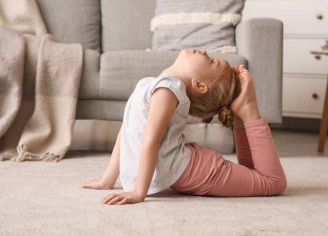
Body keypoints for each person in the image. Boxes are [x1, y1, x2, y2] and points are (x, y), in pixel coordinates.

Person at [81, 49, 287, 205]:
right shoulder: (151, 84)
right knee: (255, 175)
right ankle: (241, 116)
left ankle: (247, 110)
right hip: (189, 165)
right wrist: (107, 180)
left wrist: (138, 192)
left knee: (272, 182)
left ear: (199, 85)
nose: (206, 52)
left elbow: (151, 142)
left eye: (211, 61)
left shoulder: (169, 89)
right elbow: (129, 134)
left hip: (199, 171)